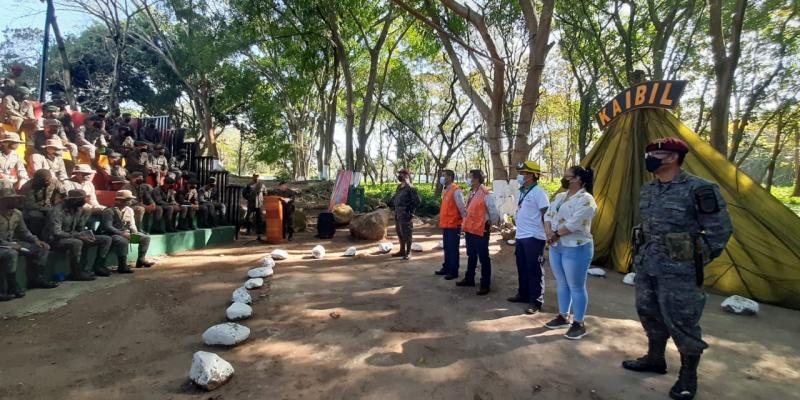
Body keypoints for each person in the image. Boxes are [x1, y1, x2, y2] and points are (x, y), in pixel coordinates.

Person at [622, 138, 733, 400]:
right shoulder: (649, 189)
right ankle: (654, 358)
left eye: (655, 154)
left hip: (680, 273)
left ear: (672, 157)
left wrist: (692, 259)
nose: (650, 158)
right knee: (649, 313)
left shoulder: (700, 189)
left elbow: (720, 231)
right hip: (648, 265)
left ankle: (687, 376)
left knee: (683, 321)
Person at [543, 166, 598, 340]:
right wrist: (549, 232)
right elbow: (548, 215)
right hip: (557, 246)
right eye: (564, 176)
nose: (565, 179)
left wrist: (555, 235)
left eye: (569, 177)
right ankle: (563, 315)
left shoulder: (586, 199)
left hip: (576, 247)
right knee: (562, 283)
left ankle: (579, 322)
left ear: (579, 179)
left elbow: (575, 224)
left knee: (576, 286)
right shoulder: (560, 196)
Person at [0, 185, 57, 302]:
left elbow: (24, 232)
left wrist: (36, 240)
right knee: (10, 254)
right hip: (3, 245)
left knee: (42, 248)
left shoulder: (17, 214)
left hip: (11, 242)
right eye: (12, 198)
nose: (16, 201)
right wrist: (10, 245)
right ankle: (11, 285)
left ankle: (37, 278)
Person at [508, 161, 550, 315]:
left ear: (533, 175)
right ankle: (523, 293)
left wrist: (548, 232)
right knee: (522, 266)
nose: (522, 175)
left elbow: (546, 212)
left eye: (525, 173)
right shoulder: (521, 191)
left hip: (534, 236)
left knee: (534, 269)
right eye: (521, 173)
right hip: (521, 235)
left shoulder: (539, 192)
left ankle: (536, 301)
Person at [44, 189, 113, 280]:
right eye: (81, 199)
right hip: (55, 239)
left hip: (73, 235)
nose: (84, 201)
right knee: (77, 242)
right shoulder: (57, 211)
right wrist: (78, 236)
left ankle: (99, 266)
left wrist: (86, 235)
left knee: (106, 239)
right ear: (73, 200)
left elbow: (79, 228)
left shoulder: (80, 209)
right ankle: (76, 273)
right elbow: (56, 232)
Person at [456, 169, 500, 295]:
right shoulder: (472, 193)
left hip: (481, 230)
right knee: (471, 255)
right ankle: (469, 278)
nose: (468, 179)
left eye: (469, 177)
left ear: (476, 179)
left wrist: (490, 224)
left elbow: (494, 213)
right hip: (471, 230)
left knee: (484, 258)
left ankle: (485, 284)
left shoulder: (486, 193)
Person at [99, 189, 155, 272]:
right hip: (112, 235)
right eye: (128, 200)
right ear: (120, 201)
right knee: (123, 241)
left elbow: (132, 224)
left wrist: (134, 232)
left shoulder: (129, 210)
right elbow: (107, 227)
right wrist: (122, 233)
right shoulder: (109, 211)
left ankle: (141, 260)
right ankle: (122, 266)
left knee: (145, 238)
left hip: (126, 233)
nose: (130, 202)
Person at [435, 170, 466, 280]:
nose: (442, 178)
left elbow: (462, 207)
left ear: (450, 177)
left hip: (454, 225)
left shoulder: (456, 190)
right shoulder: (446, 190)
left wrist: (464, 223)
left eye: (444, 176)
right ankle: (446, 267)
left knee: (453, 249)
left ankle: (454, 271)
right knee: (447, 248)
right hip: (446, 225)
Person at [387, 169, 421, 259]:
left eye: (401, 174)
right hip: (398, 213)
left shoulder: (410, 188)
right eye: (399, 174)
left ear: (406, 176)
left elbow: (417, 201)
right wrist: (388, 203)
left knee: (407, 233)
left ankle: (408, 252)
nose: (399, 176)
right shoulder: (399, 187)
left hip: (406, 214)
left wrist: (410, 211)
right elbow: (395, 198)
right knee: (399, 232)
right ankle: (402, 251)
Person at [18, 169, 59, 237]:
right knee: (36, 216)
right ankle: (37, 236)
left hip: (49, 207)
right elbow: (29, 205)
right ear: (38, 180)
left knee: (58, 213)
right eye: (46, 181)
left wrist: (59, 205)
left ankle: (53, 236)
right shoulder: (27, 187)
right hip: (31, 209)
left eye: (49, 179)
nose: (49, 182)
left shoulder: (54, 181)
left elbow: (64, 194)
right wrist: (47, 209)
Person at [242, 174, 266, 241]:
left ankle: (259, 233)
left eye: (258, 177)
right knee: (248, 217)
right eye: (255, 177)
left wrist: (261, 200)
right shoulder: (249, 185)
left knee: (260, 219)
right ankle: (248, 230)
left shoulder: (262, 185)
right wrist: (249, 198)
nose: (256, 179)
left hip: (259, 204)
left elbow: (265, 193)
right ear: (253, 178)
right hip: (251, 204)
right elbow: (244, 193)